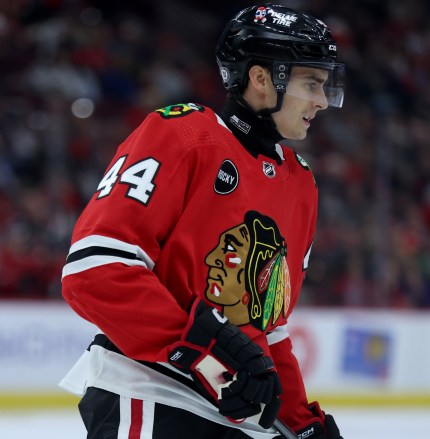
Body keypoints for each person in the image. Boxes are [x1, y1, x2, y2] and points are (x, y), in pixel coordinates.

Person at [59, 4, 345, 439]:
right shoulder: (183, 134)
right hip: (154, 394)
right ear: (263, 78)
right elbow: (94, 270)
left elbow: (268, 327)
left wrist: (301, 424)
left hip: (238, 420)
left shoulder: (301, 184)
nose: (323, 101)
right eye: (312, 83)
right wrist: (201, 347)